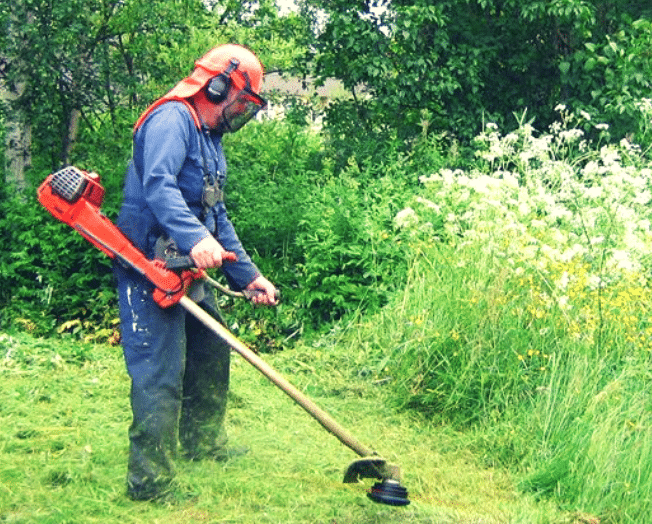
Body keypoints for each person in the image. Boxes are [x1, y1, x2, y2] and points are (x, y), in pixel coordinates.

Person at [113, 43, 278, 501]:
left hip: (184, 265)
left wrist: (249, 277)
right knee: (160, 371)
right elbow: (158, 186)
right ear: (218, 85)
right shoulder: (172, 120)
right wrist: (196, 239)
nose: (241, 113)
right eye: (241, 102)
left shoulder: (209, 138)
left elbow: (216, 213)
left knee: (211, 349)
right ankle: (148, 483)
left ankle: (202, 444)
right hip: (149, 264)